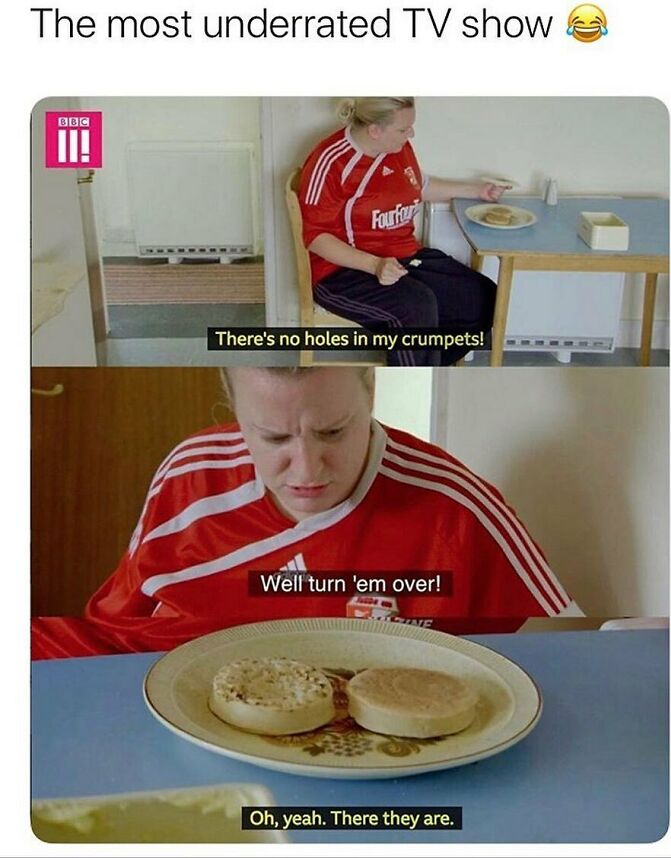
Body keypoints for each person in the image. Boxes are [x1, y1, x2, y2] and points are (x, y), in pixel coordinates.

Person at [32, 368, 580, 659]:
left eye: (333, 431)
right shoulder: (187, 477)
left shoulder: (456, 509)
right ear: (233, 407)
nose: (307, 469)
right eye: (271, 437)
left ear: (371, 389)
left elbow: (562, 653)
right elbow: (109, 638)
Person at [299, 97, 503, 367]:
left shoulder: (398, 147)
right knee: (416, 308)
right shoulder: (332, 161)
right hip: (341, 270)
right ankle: (414, 375)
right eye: (403, 129)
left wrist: (475, 191)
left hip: (402, 255)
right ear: (375, 130)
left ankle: (423, 368)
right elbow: (315, 237)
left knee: (482, 297)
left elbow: (416, 185)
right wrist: (374, 265)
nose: (411, 134)